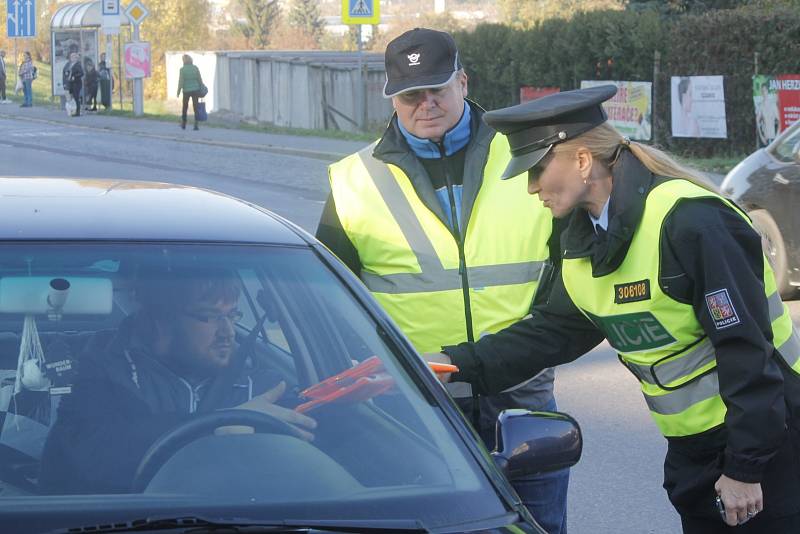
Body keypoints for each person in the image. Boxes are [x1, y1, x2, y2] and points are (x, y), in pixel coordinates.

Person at [427, 85, 800, 533]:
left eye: (537, 169)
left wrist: (745, 468)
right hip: (696, 451)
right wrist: (453, 364)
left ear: (583, 160)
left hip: (771, 445)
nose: (530, 188)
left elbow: (746, 350)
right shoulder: (581, 235)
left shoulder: (692, 221)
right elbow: (555, 331)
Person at [316, 28, 569, 533]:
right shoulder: (353, 180)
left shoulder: (524, 156)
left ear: (463, 82)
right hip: (413, 403)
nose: (425, 104)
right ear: (391, 97)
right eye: (411, 94)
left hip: (520, 396)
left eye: (437, 88)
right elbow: (324, 302)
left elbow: (568, 276)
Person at [40, 268, 317, 494]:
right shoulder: (101, 373)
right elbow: (91, 454)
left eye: (232, 315)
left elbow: (310, 448)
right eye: (208, 316)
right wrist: (217, 427)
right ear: (162, 321)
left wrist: (333, 408)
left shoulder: (261, 382)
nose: (228, 332)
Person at [176, 54, 204, 131]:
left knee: (185, 107)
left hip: (186, 91)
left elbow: (181, 81)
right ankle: (196, 124)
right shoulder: (195, 68)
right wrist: (202, 88)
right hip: (196, 90)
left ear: (184, 61)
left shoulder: (182, 69)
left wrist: (178, 91)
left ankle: (184, 123)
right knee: (196, 107)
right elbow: (199, 79)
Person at [67, 53, 84, 117]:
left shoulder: (78, 65)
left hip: (77, 83)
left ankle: (78, 112)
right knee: (74, 97)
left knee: (76, 97)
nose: (72, 58)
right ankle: (74, 110)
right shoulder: (71, 65)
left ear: (76, 58)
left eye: (74, 57)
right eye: (71, 57)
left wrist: (75, 76)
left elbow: (81, 73)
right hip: (72, 83)